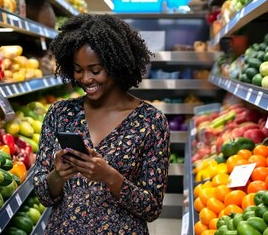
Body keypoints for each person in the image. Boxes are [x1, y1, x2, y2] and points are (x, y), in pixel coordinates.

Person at [33, 13, 170, 234]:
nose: (86, 79)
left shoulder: (150, 122)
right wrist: (57, 175)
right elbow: (43, 195)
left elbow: (152, 208)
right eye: (78, 69)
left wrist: (109, 176)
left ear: (117, 65)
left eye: (95, 70)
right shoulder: (60, 114)